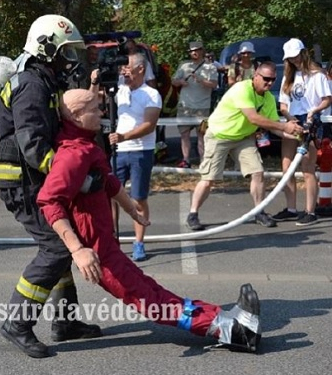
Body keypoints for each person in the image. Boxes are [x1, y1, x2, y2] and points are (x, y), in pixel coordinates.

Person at [38, 88, 263, 356]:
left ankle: (222, 318)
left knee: (153, 291)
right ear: (76, 115)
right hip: (99, 255)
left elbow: (108, 181)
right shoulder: (72, 155)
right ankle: (230, 330)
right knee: (152, 301)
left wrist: (132, 210)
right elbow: (49, 202)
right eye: (94, 109)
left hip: (107, 248)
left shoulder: (86, 146)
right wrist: (77, 250)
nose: (101, 113)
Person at [0, 14, 101, 359]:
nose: (68, 61)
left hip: (33, 178)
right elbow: (34, 145)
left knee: (67, 246)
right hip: (21, 181)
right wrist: (77, 180)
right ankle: (17, 324)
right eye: (63, 53)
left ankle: (65, 322)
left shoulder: (43, 81)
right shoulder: (31, 84)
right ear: (45, 48)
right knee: (56, 248)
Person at [186, 61, 304, 231]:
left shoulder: (269, 98)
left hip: (243, 138)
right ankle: (193, 213)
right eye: (266, 79)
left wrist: (297, 134)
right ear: (256, 75)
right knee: (208, 179)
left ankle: (259, 212)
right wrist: (285, 126)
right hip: (219, 136)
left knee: (258, 173)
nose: (269, 83)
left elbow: (275, 127)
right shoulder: (242, 89)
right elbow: (253, 118)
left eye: (273, 80)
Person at [98, 53, 161, 262]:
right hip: (119, 151)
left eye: (127, 66)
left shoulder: (151, 94)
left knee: (138, 197)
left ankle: (139, 242)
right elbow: (94, 99)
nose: (123, 70)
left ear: (141, 69)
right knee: (111, 194)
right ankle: (111, 239)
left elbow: (149, 124)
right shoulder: (119, 91)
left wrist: (124, 136)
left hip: (141, 149)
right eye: (122, 67)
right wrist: (94, 81)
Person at [272, 38, 332, 226]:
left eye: (296, 56)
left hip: (311, 122)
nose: (294, 60)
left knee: (307, 167)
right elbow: (283, 104)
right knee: (287, 167)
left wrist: (313, 112)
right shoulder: (288, 77)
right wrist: (289, 117)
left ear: (303, 53)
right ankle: (291, 208)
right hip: (293, 121)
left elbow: (326, 99)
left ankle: (310, 211)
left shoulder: (317, 75)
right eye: (290, 58)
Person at [172, 41, 218, 168]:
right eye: (192, 51)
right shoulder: (184, 65)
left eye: (197, 50)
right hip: (185, 106)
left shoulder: (210, 67)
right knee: (184, 134)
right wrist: (180, 81)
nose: (194, 53)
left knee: (202, 135)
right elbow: (174, 81)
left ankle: (203, 161)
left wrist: (201, 80)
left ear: (202, 51)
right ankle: (186, 160)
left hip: (202, 107)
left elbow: (214, 85)